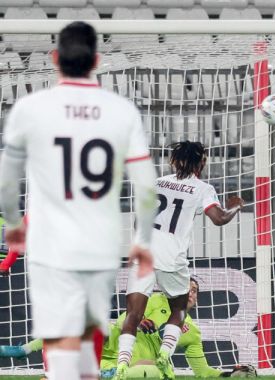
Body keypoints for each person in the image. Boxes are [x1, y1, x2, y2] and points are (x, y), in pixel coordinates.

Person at [0, 22, 157, 380]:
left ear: (55, 59)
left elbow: (8, 182)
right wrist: (143, 242)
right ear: (97, 61)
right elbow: (146, 187)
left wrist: (13, 229)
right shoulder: (121, 110)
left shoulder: (31, 108)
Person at [116, 140, 243, 380]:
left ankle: (121, 367)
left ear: (173, 161)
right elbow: (218, 218)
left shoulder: (157, 182)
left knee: (133, 314)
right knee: (179, 309)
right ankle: (164, 356)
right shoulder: (202, 189)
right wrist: (235, 207)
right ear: (202, 162)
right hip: (172, 258)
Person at [0, 278, 253, 378]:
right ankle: (21, 350)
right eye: (187, 287)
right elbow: (124, 322)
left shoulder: (193, 332)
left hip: (147, 368)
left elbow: (203, 372)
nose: (191, 292)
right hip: (116, 353)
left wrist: (229, 374)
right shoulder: (154, 300)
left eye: (195, 290)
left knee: (149, 369)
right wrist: (137, 322)